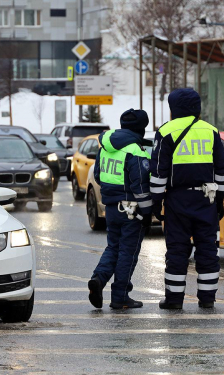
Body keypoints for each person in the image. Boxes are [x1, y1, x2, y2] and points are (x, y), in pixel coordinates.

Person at [150, 88, 224, 310]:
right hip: (207, 199)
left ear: (173, 108)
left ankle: (174, 300)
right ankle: (207, 299)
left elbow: (158, 172)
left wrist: (157, 203)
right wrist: (220, 200)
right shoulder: (211, 131)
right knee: (207, 250)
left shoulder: (166, 132)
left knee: (177, 250)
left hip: (178, 201)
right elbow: (222, 170)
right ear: (197, 107)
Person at [87, 109, 152, 310]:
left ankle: (98, 278)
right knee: (128, 253)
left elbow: (97, 175)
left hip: (111, 208)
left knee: (113, 247)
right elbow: (140, 187)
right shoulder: (135, 151)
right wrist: (148, 212)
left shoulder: (105, 147)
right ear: (141, 128)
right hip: (131, 209)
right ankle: (120, 296)